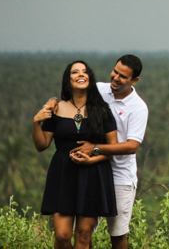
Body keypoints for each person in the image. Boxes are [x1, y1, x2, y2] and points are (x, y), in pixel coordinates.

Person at [45, 55, 149, 249]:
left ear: (134, 81)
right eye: (115, 71)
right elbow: (70, 96)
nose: (116, 78)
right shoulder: (100, 90)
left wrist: (94, 148)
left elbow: (131, 146)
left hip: (120, 176)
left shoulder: (138, 108)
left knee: (117, 234)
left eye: (123, 76)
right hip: (91, 172)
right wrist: (52, 101)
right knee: (84, 232)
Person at [33, 60, 118, 249]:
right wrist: (35, 123)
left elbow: (112, 147)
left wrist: (93, 157)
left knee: (83, 235)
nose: (81, 74)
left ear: (90, 77)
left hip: (93, 174)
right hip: (63, 175)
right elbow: (42, 145)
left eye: (85, 71)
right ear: (68, 79)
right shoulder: (55, 109)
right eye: (75, 72)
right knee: (62, 236)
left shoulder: (102, 110)